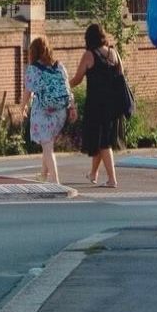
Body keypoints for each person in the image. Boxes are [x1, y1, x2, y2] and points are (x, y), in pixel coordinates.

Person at [68, 23, 127, 188]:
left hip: (96, 104)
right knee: (103, 139)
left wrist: (65, 86)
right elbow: (121, 75)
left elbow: (78, 78)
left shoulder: (89, 55)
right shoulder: (114, 53)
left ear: (89, 38)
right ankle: (93, 173)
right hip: (114, 105)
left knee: (103, 143)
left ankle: (112, 179)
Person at [22, 37, 73, 185]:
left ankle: (56, 182)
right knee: (47, 143)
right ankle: (43, 175)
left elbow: (27, 91)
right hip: (60, 112)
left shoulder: (33, 69)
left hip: (43, 111)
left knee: (47, 147)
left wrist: (22, 107)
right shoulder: (59, 66)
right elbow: (67, 89)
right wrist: (72, 107)